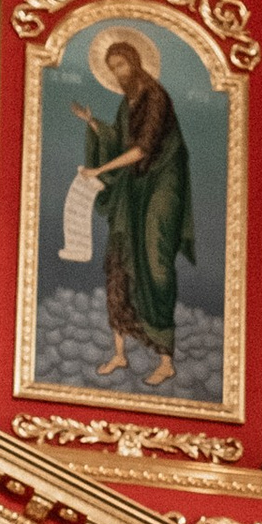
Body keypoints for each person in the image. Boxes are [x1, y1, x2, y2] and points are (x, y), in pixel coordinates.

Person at [80, 32, 191, 385]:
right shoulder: (126, 102)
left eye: (122, 64)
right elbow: (120, 141)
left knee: (155, 262)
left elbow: (142, 149)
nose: (118, 73)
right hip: (133, 191)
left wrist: (99, 170)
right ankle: (119, 352)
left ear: (136, 61)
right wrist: (95, 126)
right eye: (112, 68)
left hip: (161, 188)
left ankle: (165, 358)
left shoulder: (156, 97)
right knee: (119, 261)